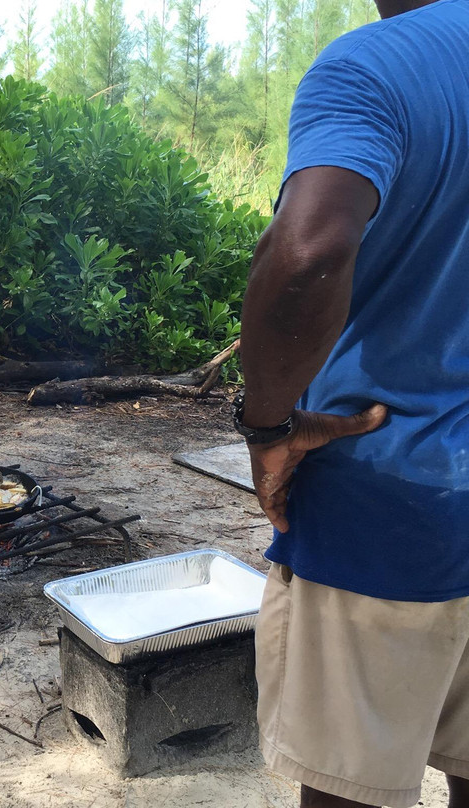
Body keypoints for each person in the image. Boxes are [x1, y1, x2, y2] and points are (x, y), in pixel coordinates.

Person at [236, 1, 469, 806]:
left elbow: (307, 253)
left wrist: (268, 425)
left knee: (351, 786)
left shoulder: (376, 66)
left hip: (390, 499)